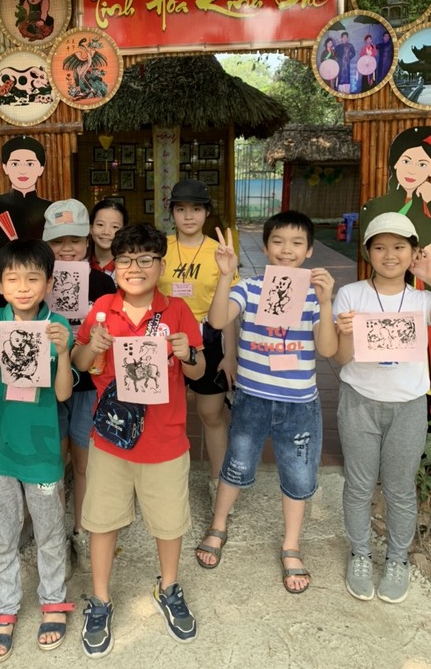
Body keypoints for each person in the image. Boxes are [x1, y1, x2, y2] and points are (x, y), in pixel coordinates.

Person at [72, 223, 205, 658]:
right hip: (110, 440)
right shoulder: (102, 309)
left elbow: (198, 371)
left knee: (169, 523)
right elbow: (79, 362)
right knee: (102, 520)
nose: (135, 267)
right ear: (114, 266)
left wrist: (188, 354)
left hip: (165, 440)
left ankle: (169, 587)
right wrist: (92, 345)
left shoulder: (177, 311)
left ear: (160, 265)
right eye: (126, 259)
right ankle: (100, 599)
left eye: (146, 259)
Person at [195, 211, 337, 594]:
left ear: (309, 250)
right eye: (278, 241)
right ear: (265, 246)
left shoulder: (314, 295)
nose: (286, 250)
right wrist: (225, 276)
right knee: (236, 464)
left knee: (299, 476)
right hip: (253, 398)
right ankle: (218, 524)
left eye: (296, 243)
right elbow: (218, 319)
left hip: (299, 405)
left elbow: (327, 349)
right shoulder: (250, 288)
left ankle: (291, 545)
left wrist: (326, 304)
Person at [0, 238, 75, 660]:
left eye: (33, 278)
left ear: (49, 283)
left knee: (49, 530)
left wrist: (63, 351)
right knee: (2, 534)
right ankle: (5, 606)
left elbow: (63, 394)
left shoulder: (56, 324)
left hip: (41, 450)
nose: (23, 287)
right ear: (0, 283)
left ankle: (54, 600)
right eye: (13, 279)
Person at [333, 212, 431, 603]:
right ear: (367, 252)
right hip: (359, 401)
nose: (389, 255)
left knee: (400, 488)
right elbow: (341, 359)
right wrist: (345, 333)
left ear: (413, 253)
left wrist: (429, 275)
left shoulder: (422, 300)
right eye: (380, 247)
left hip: (408, 404)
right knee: (358, 484)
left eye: (399, 247)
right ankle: (360, 553)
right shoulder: (351, 295)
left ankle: (397, 558)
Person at [42, 199, 116, 572]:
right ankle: (55, 536)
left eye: (74, 240)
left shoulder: (103, 283)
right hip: (46, 385)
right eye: (58, 241)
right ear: (46, 244)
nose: (67, 249)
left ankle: (82, 531)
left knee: (85, 462)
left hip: (89, 384)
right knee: (54, 462)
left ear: (87, 242)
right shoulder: (37, 282)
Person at [157, 179, 233, 508]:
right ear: (172, 213)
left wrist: (230, 355)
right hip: (164, 337)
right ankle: (158, 480)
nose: (188, 216)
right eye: (181, 209)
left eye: (196, 209)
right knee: (161, 412)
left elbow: (229, 308)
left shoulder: (220, 252)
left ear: (207, 213)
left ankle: (219, 481)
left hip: (207, 335)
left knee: (211, 413)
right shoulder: (160, 248)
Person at [0, 135, 51, 308]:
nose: (22, 171)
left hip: (45, 293)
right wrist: (4, 280)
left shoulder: (51, 209)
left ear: (41, 168)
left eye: (30, 164)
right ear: (5, 167)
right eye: (15, 164)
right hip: (1, 293)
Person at [360, 126, 431, 256]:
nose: (412, 171)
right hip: (389, 268)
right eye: (406, 161)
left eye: (422, 164)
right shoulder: (375, 206)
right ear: (396, 163)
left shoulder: (427, 204)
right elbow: (367, 252)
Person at [89, 199, 128, 277]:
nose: (106, 232)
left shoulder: (130, 267)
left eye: (115, 227)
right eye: (100, 224)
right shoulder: (80, 263)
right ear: (90, 228)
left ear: (124, 231)